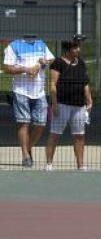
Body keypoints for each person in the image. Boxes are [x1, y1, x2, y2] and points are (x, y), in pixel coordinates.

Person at [3, 32, 54, 168]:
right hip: (21, 90)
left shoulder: (40, 43)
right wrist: (25, 70)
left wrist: (44, 62)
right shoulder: (14, 45)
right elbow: (7, 68)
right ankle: (26, 155)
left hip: (39, 91)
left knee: (41, 123)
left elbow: (51, 59)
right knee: (23, 122)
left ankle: (28, 146)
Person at [44, 37, 91, 171]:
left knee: (79, 135)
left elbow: (85, 83)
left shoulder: (81, 63)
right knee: (55, 134)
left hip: (79, 106)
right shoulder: (58, 63)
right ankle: (49, 164)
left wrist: (89, 100)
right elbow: (52, 84)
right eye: (75, 47)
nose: (78, 50)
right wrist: (54, 103)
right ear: (68, 49)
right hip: (62, 104)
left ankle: (81, 165)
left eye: (78, 47)